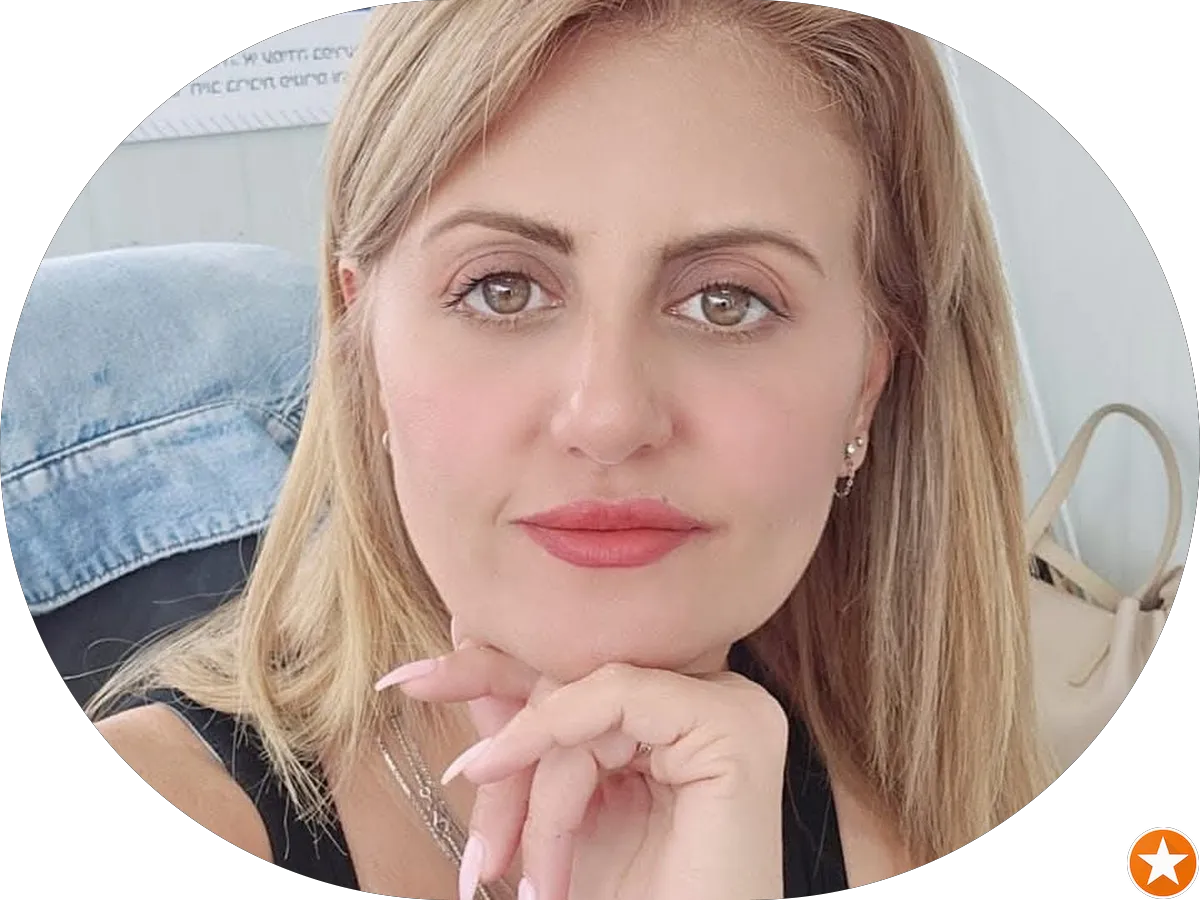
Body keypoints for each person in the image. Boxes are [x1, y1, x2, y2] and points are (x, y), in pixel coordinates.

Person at [67, 2, 1057, 898]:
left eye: (728, 302)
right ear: (361, 344)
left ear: (868, 382)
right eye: (502, 289)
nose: (608, 416)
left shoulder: (908, 837)